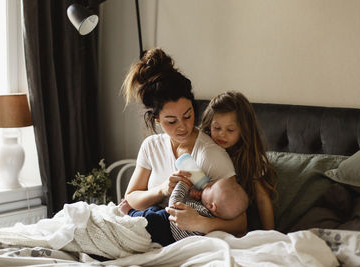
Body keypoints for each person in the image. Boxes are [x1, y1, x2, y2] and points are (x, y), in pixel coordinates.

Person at [121, 48, 248, 240]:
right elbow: (131, 198)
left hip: (184, 236)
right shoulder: (151, 146)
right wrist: (162, 190)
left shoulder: (211, 153)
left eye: (188, 115)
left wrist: (200, 223)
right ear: (157, 119)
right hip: (148, 228)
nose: (183, 127)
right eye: (171, 121)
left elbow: (241, 224)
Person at [200, 91, 277, 230]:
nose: (222, 134)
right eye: (217, 128)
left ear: (244, 130)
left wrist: (270, 234)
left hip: (235, 222)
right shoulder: (204, 149)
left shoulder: (250, 159)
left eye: (230, 130)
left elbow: (262, 199)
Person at [119, 177, 248, 246]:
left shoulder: (201, 212)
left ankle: (129, 211)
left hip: (168, 231)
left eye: (210, 187)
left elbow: (174, 204)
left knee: (150, 220)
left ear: (212, 206)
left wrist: (183, 185)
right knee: (155, 210)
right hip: (168, 220)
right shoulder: (210, 212)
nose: (208, 183)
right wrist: (197, 195)